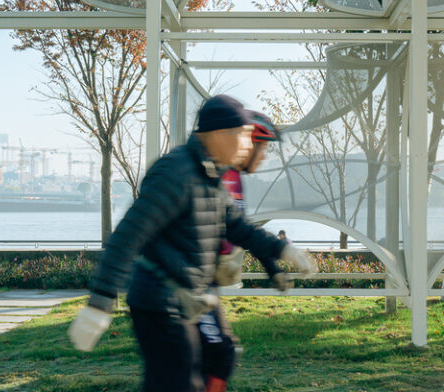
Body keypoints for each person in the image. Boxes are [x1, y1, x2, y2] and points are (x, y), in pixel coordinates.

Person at [68, 95, 316, 392]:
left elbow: (236, 227)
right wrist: (99, 303)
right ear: (220, 134)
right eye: (245, 136)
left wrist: (283, 251)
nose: (250, 146)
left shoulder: (211, 175)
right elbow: (128, 236)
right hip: (159, 303)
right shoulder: (176, 173)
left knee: (196, 377)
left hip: (185, 301)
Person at [198, 111, 281, 392]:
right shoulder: (220, 175)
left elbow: (241, 230)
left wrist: (273, 269)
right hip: (186, 283)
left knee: (221, 354)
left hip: (204, 284)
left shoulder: (234, 178)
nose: (264, 157)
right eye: (264, 148)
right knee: (217, 353)